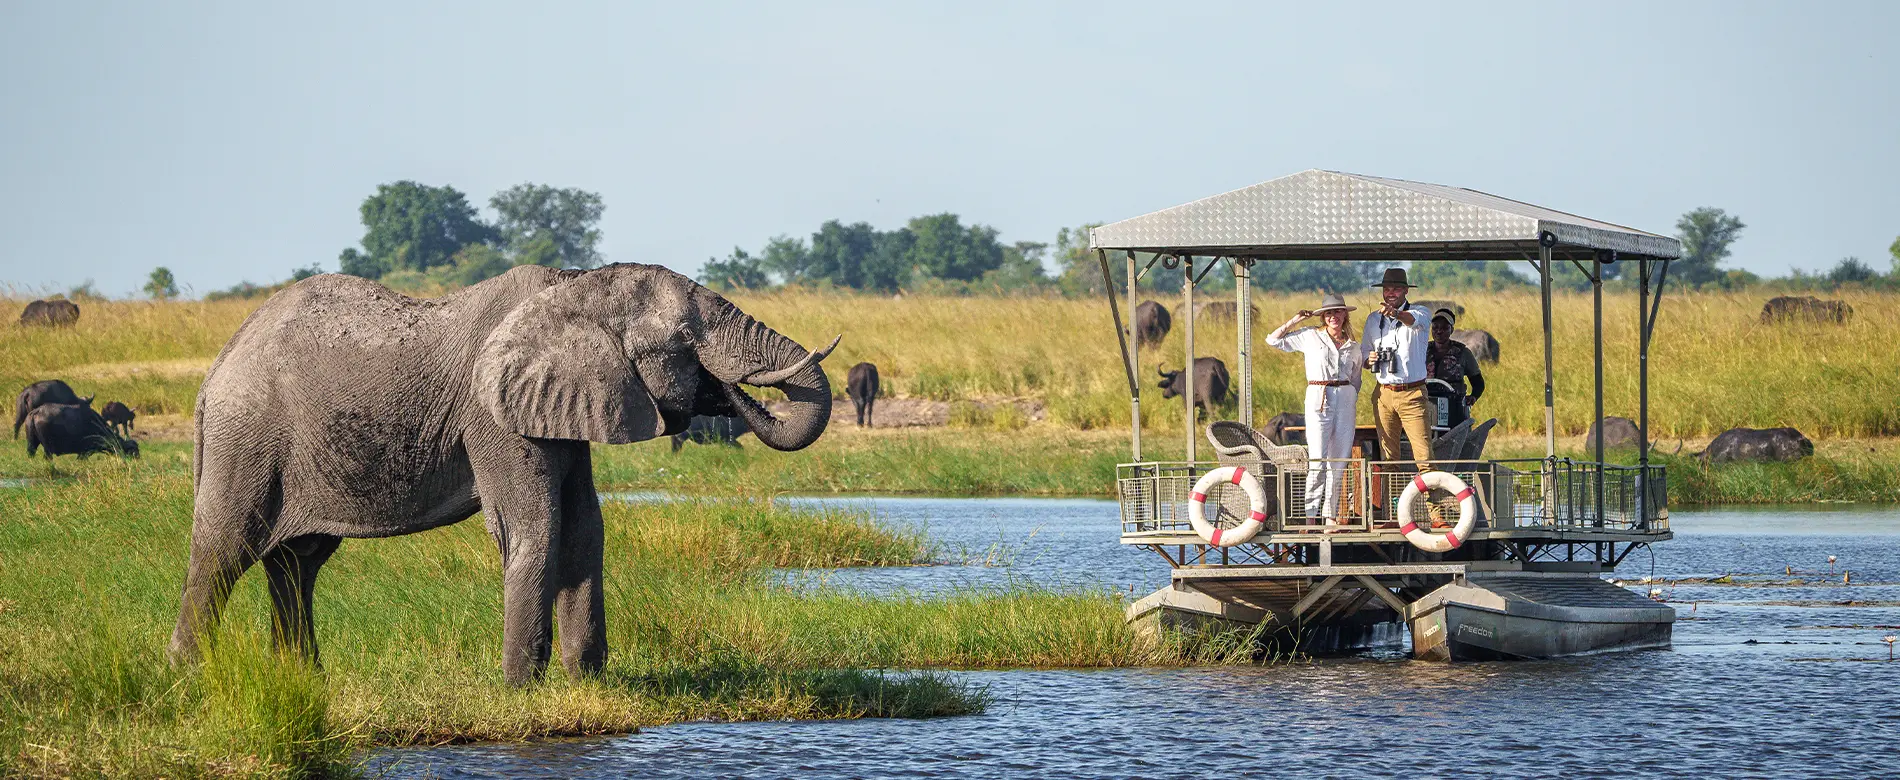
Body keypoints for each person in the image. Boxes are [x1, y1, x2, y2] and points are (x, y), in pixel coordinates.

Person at [1265, 293, 1364, 526]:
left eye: (1338, 312)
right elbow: (1273, 340)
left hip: (1345, 397)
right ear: (1323, 316)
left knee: (1339, 461)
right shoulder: (1311, 336)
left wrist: (1347, 396)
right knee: (1318, 459)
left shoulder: (1354, 346)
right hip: (1319, 395)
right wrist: (1295, 320)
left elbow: (1356, 377)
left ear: (1344, 315)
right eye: (1329, 313)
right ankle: (1311, 516)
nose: (1333, 317)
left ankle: (1330, 516)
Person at [1363, 267, 1433, 472]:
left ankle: (1434, 505)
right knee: (1389, 459)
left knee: (1425, 458)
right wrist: (1370, 359)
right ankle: (1391, 504)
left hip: (1412, 393)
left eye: (1395, 289)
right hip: (1383, 393)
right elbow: (1364, 352)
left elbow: (1412, 321)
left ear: (1406, 291)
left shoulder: (1420, 312)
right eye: (1386, 289)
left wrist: (1395, 314)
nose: (1390, 293)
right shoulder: (1373, 319)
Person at [1426, 309, 1485, 429]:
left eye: (1444, 328)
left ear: (1451, 330)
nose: (1439, 331)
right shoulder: (1422, 350)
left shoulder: (1463, 353)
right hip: (1426, 405)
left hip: (1454, 408)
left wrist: (1473, 396)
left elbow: (1478, 383)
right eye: (1435, 327)